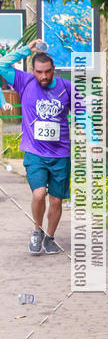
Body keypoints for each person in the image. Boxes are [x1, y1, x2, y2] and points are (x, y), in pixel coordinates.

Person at [0, 39, 74, 254]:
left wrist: (91, 136)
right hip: (35, 152)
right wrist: (27, 49)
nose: (44, 76)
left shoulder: (66, 87)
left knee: (57, 201)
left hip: (61, 154)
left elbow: (82, 111)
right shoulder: (24, 81)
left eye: (48, 72)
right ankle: (37, 230)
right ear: (33, 70)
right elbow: (2, 65)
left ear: (54, 70)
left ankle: (50, 237)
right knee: (39, 194)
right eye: (39, 72)